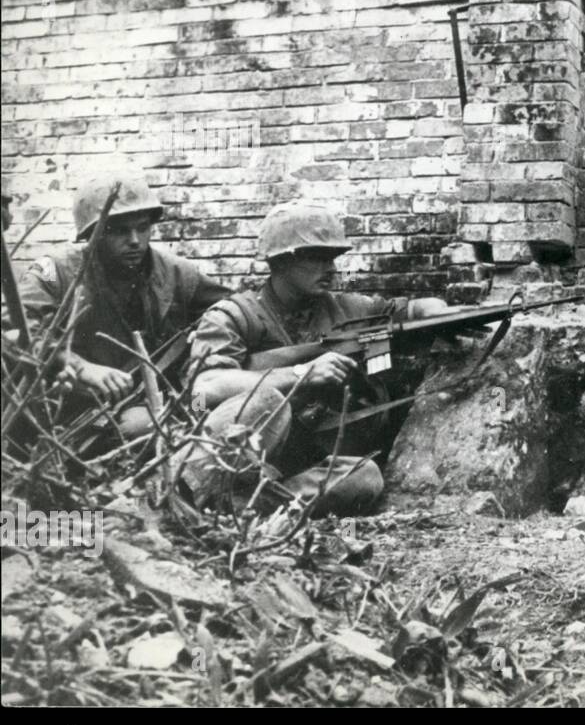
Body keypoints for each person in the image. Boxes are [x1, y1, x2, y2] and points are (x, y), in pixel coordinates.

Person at [182, 202, 450, 517]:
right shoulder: (235, 315)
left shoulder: (348, 310)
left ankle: (242, 507)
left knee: (365, 477)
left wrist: (443, 314)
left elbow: (410, 311)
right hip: (240, 448)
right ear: (280, 261)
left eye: (332, 258)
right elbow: (205, 386)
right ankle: (184, 495)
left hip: (295, 463)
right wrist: (299, 375)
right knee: (267, 400)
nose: (331, 268)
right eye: (316, 258)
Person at [17, 173, 230, 439]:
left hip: (158, 399)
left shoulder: (177, 273)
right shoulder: (57, 272)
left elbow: (231, 310)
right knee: (137, 428)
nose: (134, 240)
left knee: (205, 408)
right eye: (119, 230)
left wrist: (207, 341)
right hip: (72, 411)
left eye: (142, 227)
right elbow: (14, 329)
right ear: (91, 234)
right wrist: (80, 367)